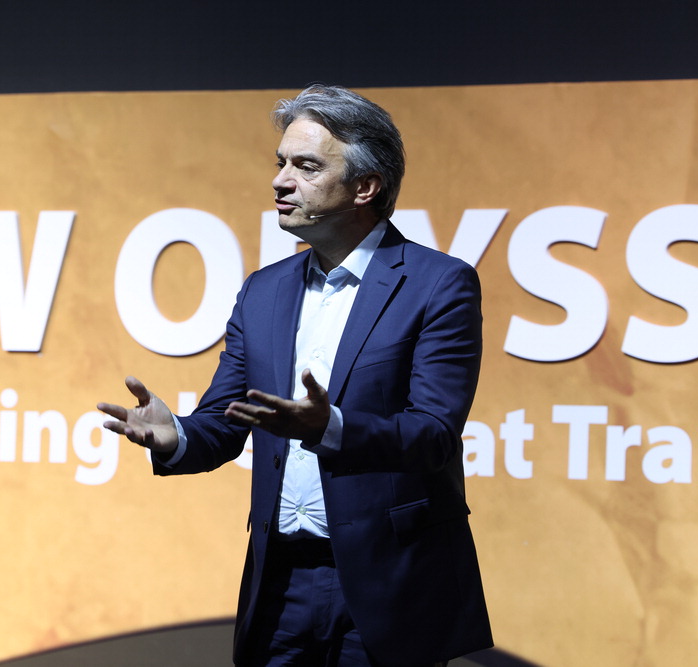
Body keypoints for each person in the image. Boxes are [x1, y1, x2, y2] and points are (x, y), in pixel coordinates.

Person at [98, 84, 492, 667]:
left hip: (388, 584)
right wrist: (176, 435)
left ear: (365, 187)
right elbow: (224, 424)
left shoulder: (438, 283)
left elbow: (433, 434)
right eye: (280, 163)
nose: (280, 181)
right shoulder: (263, 291)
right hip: (279, 584)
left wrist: (329, 427)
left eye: (306, 166)